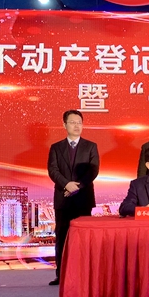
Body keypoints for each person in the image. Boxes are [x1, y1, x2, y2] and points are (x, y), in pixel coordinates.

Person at [47, 110, 99, 285]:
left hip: (83, 199)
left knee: (84, 239)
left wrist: (77, 186)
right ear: (64, 125)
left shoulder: (91, 146)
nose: (77, 126)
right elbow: (53, 170)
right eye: (72, 122)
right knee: (62, 237)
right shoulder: (56, 147)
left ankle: (84, 274)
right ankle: (61, 274)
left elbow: (93, 170)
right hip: (63, 198)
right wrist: (66, 184)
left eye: (79, 122)